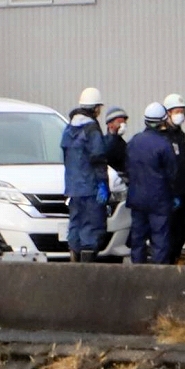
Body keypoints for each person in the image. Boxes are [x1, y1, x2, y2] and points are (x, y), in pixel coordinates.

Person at [125, 103, 179, 265]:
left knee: (138, 238)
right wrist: (175, 194)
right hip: (159, 200)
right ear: (162, 122)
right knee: (160, 239)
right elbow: (172, 173)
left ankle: (138, 272)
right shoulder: (164, 145)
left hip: (137, 197)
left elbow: (127, 167)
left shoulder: (134, 141)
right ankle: (158, 277)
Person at [60, 87, 108, 262]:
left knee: (75, 225)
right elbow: (99, 157)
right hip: (90, 187)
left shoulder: (69, 128)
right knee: (91, 227)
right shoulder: (91, 129)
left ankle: (74, 259)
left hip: (73, 188)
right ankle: (87, 267)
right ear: (95, 108)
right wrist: (103, 183)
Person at [162, 93, 185, 264]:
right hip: (170, 190)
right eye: (177, 111)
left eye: (182, 111)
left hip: (183, 189)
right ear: (168, 113)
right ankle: (167, 260)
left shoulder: (180, 135)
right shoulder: (163, 136)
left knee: (182, 227)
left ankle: (175, 256)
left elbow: (184, 159)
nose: (180, 115)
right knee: (170, 228)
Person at [103, 106, 128, 178]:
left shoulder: (122, 143)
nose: (123, 125)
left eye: (124, 122)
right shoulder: (105, 142)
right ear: (110, 124)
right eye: (119, 122)